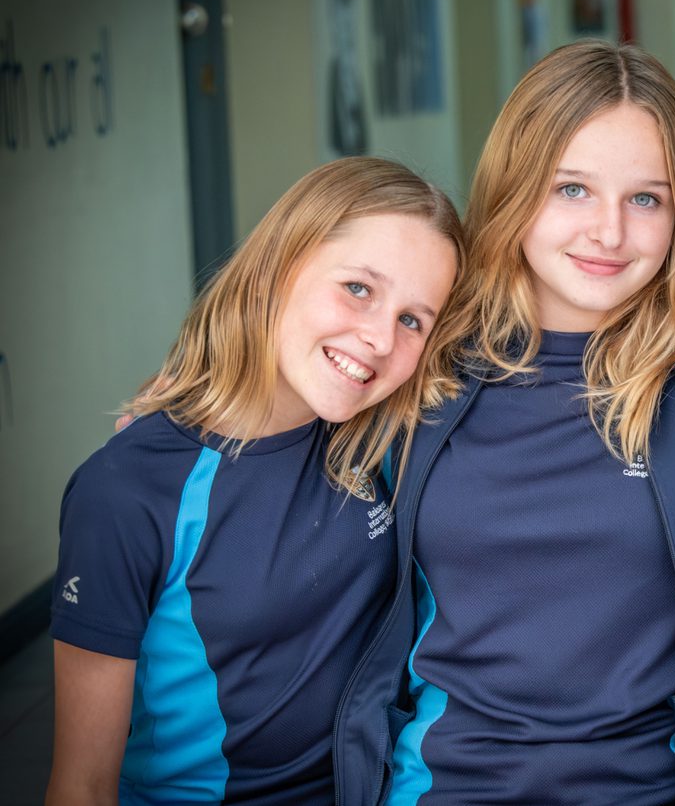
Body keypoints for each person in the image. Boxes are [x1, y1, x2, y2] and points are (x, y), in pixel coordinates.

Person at [334, 41, 675, 806]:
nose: (608, 233)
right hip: (446, 788)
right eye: (571, 189)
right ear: (515, 187)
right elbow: (293, 353)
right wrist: (190, 413)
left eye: (645, 199)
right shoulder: (417, 367)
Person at [46, 157, 464, 804]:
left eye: (414, 319)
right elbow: (82, 783)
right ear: (278, 266)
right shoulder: (128, 490)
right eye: (357, 287)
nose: (380, 336)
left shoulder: (384, 440)